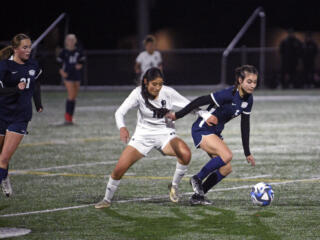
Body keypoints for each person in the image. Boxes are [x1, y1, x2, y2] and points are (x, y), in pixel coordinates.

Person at [95, 67, 212, 209]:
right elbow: (119, 112)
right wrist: (122, 127)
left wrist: (203, 114)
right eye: (154, 84)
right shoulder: (137, 93)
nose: (157, 88)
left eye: (160, 84)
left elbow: (188, 105)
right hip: (143, 136)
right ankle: (106, 199)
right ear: (145, 82)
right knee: (119, 169)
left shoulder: (167, 92)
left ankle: (174, 186)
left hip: (165, 133)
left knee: (185, 154)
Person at [166, 65, 258, 205]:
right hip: (202, 129)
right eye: (249, 81)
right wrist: (177, 115)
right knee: (227, 155)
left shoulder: (248, 100)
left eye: (255, 82)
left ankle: (198, 196)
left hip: (214, 133)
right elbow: (199, 101)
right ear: (240, 80)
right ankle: (197, 178)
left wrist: (247, 152)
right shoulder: (228, 94)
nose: (252, 85)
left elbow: (245, 125)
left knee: (226, 168)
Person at [0, 33, 43, 197]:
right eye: (25, 47)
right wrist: (15, 89)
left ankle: (3, 176)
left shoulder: (34, 65)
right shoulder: (4, 66)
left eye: (29, 47)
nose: (28, 50)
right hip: (2, 114)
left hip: (20, 116)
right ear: (15, 49)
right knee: (1, 159)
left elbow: (36, 85)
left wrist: (38, 103)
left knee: (3, 158)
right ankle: (5, 177)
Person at [57, 34, 85, 124]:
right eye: (69, 39)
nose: (71, 41)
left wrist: (80, 65)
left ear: (75, 41)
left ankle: (70, 118)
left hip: (77, 75)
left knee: (74, 97)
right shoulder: (63, 51)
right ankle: (67, 118)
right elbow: (58, 63)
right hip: (68, 75)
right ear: (66, 41)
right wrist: (62, 72)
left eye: (72, 40)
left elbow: (82, 60)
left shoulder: (78, 50)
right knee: (71, 95)